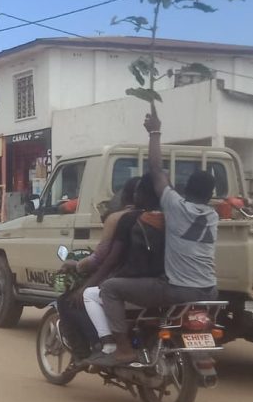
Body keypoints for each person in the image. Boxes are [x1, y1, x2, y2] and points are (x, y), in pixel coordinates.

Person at [91, 109, 219, 368]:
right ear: (209, 195)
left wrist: (155, 132)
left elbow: (156, 168)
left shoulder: (176, 206)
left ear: (186, 189)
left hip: (179, 290)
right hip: (210, 290)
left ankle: (123, 349)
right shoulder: (212, 216)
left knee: (110, 288)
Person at [58, 176, 143, 352]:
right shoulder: (163, 218)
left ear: (124, 197)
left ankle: (96, 345)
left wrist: (77, 266)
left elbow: (102, 258)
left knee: (70, 301)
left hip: (123, 280)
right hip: (157, 283)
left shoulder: (118, 219)